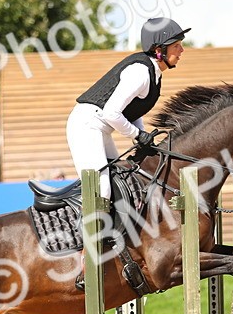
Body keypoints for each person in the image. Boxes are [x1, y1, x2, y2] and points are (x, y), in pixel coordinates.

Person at [66, 16, 189, 197]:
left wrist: (141, 136)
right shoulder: (140, 72)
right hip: (86, 125)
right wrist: (137, 135)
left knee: (119, 182)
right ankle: (81, 225)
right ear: (159, 50)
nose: (182, 50)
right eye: (176, 45)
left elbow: (132, 109)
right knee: (101, 191)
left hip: (100, 128)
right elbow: (111, 113)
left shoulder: (154, 73)